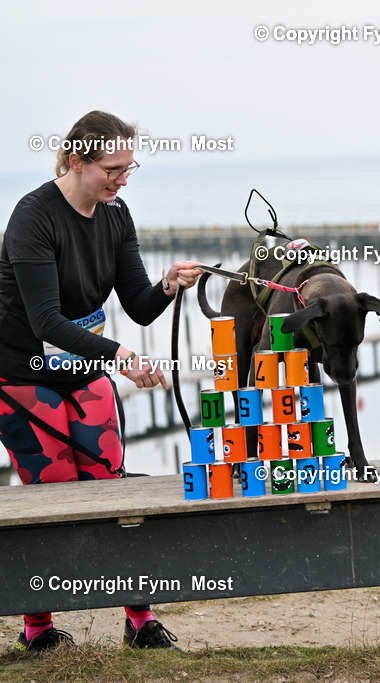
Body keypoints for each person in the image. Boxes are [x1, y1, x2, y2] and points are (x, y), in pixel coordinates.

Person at [0, 111, 200, 653]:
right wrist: (122, 357)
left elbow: (137, 305)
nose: (122, 178)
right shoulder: (33, 217)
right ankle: (37, 631)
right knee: (52, 495)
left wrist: (166, 285)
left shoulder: (117, 214)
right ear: (74, 160)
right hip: (22, 374)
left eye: (129, 167)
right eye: (112, 168)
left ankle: (140, 622)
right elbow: (46, 321)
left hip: (83, 368)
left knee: (112, 488)